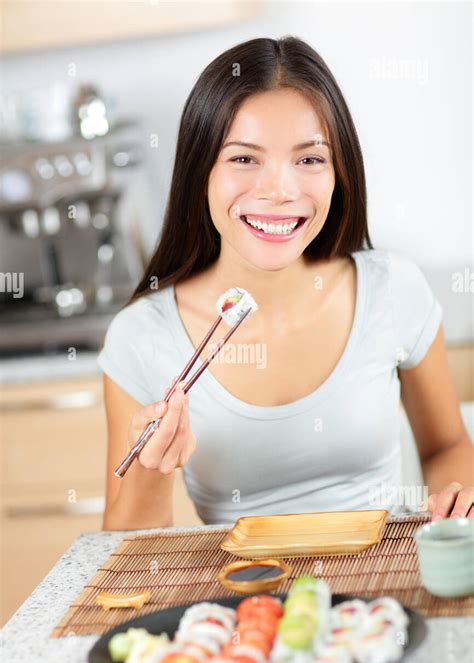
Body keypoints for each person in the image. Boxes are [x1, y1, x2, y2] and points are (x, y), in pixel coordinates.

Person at [98, 37, 473, 529]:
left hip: (381, 596)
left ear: (339, 172)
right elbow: (126, 556)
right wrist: (152, 469)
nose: (279, 190)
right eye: (244, 159)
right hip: (242, 600)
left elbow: (447, 445)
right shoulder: (141, 337)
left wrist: (458, 499)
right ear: (200, 173)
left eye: (309, 159)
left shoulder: (394, 290)